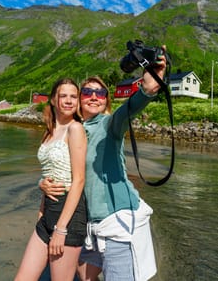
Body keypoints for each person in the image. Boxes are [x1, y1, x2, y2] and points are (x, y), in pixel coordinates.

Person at [40, 49, 167, 281]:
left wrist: (150, 85)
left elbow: (133, 104)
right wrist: (43, 183)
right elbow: (61, 169)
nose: (94, 96)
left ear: (106, 99)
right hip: (88, 225)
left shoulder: (110, 125)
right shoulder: (72, 131)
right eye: (87, 91)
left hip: (116, 222)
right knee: (83, 273)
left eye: (101, 93)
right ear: (79, 99)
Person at [15, 78, 87, 281]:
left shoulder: (76, 129)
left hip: (69, 216)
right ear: (53, 100)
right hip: (47, 212)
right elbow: (49, 175)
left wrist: (61, 229)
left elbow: (79, 180)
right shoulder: (49, 132)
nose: (68, 100)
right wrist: (41, 212)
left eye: (73, 96)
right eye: (63, 96)